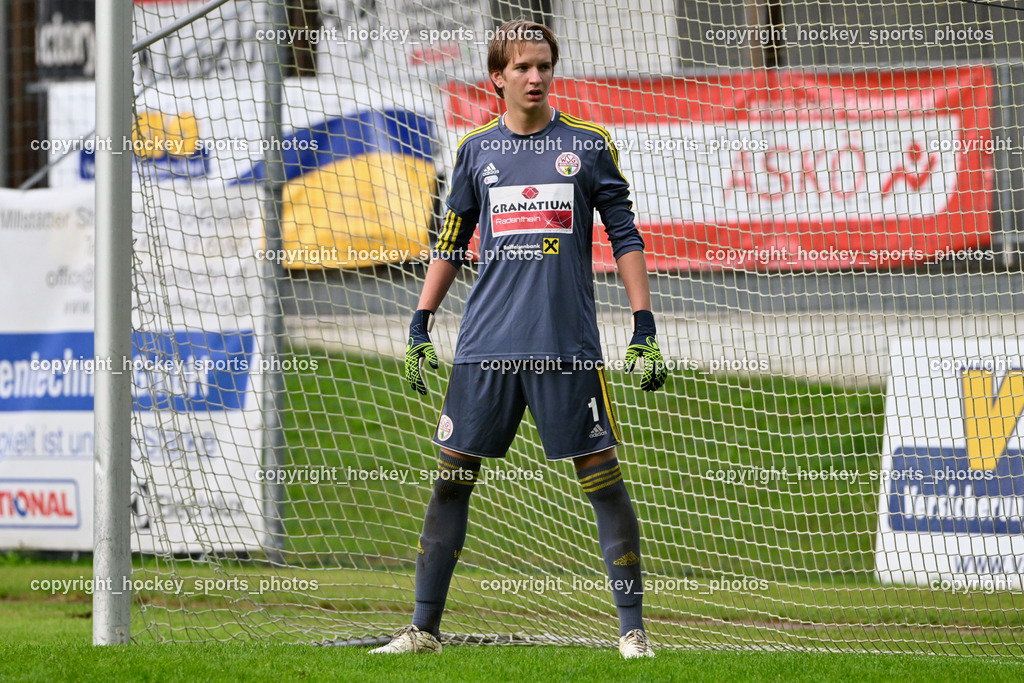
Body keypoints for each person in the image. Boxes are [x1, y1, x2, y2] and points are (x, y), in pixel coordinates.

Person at [369, 18, 667, 659]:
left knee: (603, 479)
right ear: (497, 78)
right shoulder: (476, 151)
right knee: (450, 482)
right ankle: (423, 630)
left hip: (565, 347)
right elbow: (450, 245)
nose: (536, 77)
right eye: (523, 67)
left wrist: (643, 325)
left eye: (544, 65)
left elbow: (626, 238)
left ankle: (633, 632)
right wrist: (421, 320)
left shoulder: (588, 146)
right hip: (483, 347)